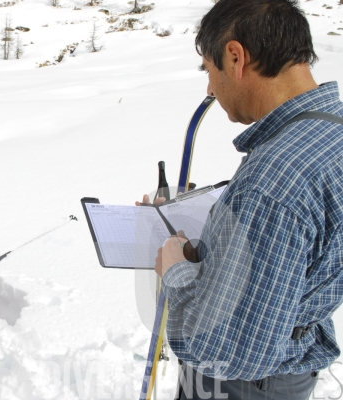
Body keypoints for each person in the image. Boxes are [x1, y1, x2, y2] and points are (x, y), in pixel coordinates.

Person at [147, 0, 343, 399]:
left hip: (244, 385)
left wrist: (175, 272)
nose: (209, 87)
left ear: (235, 57)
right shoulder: (331, 133)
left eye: (209, 69)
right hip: (290, 363)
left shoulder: (272, 180)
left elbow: (227, 349)